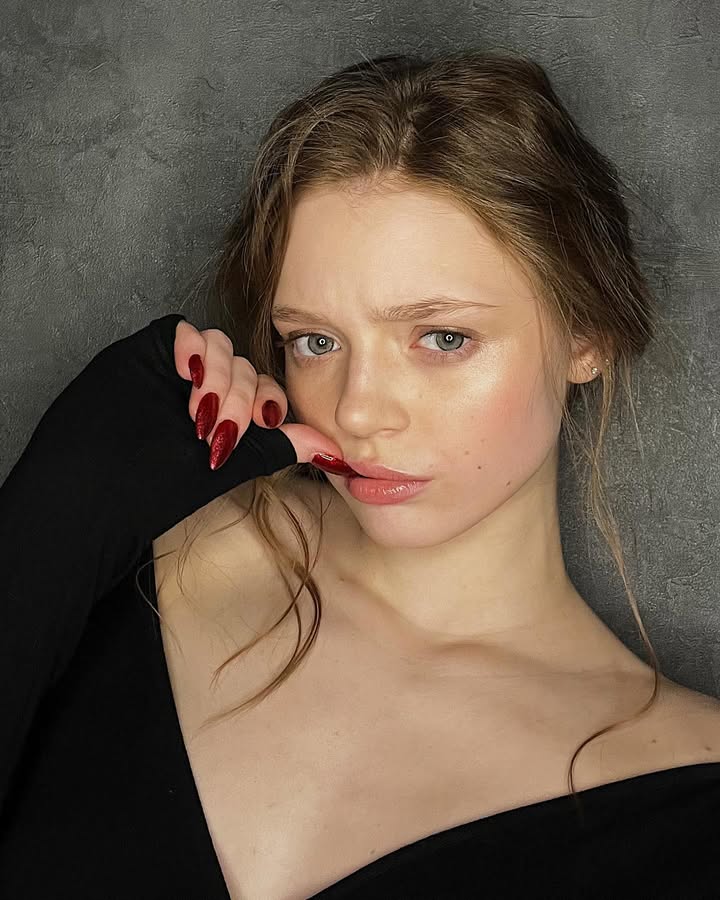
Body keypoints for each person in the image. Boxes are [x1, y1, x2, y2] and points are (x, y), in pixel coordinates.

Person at [1, 49, 719, 899]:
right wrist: (47, 524)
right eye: (316, 341)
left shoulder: (689, 788)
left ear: (587, 336)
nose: (359, 410)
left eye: (442, 338)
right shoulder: (134, 556)